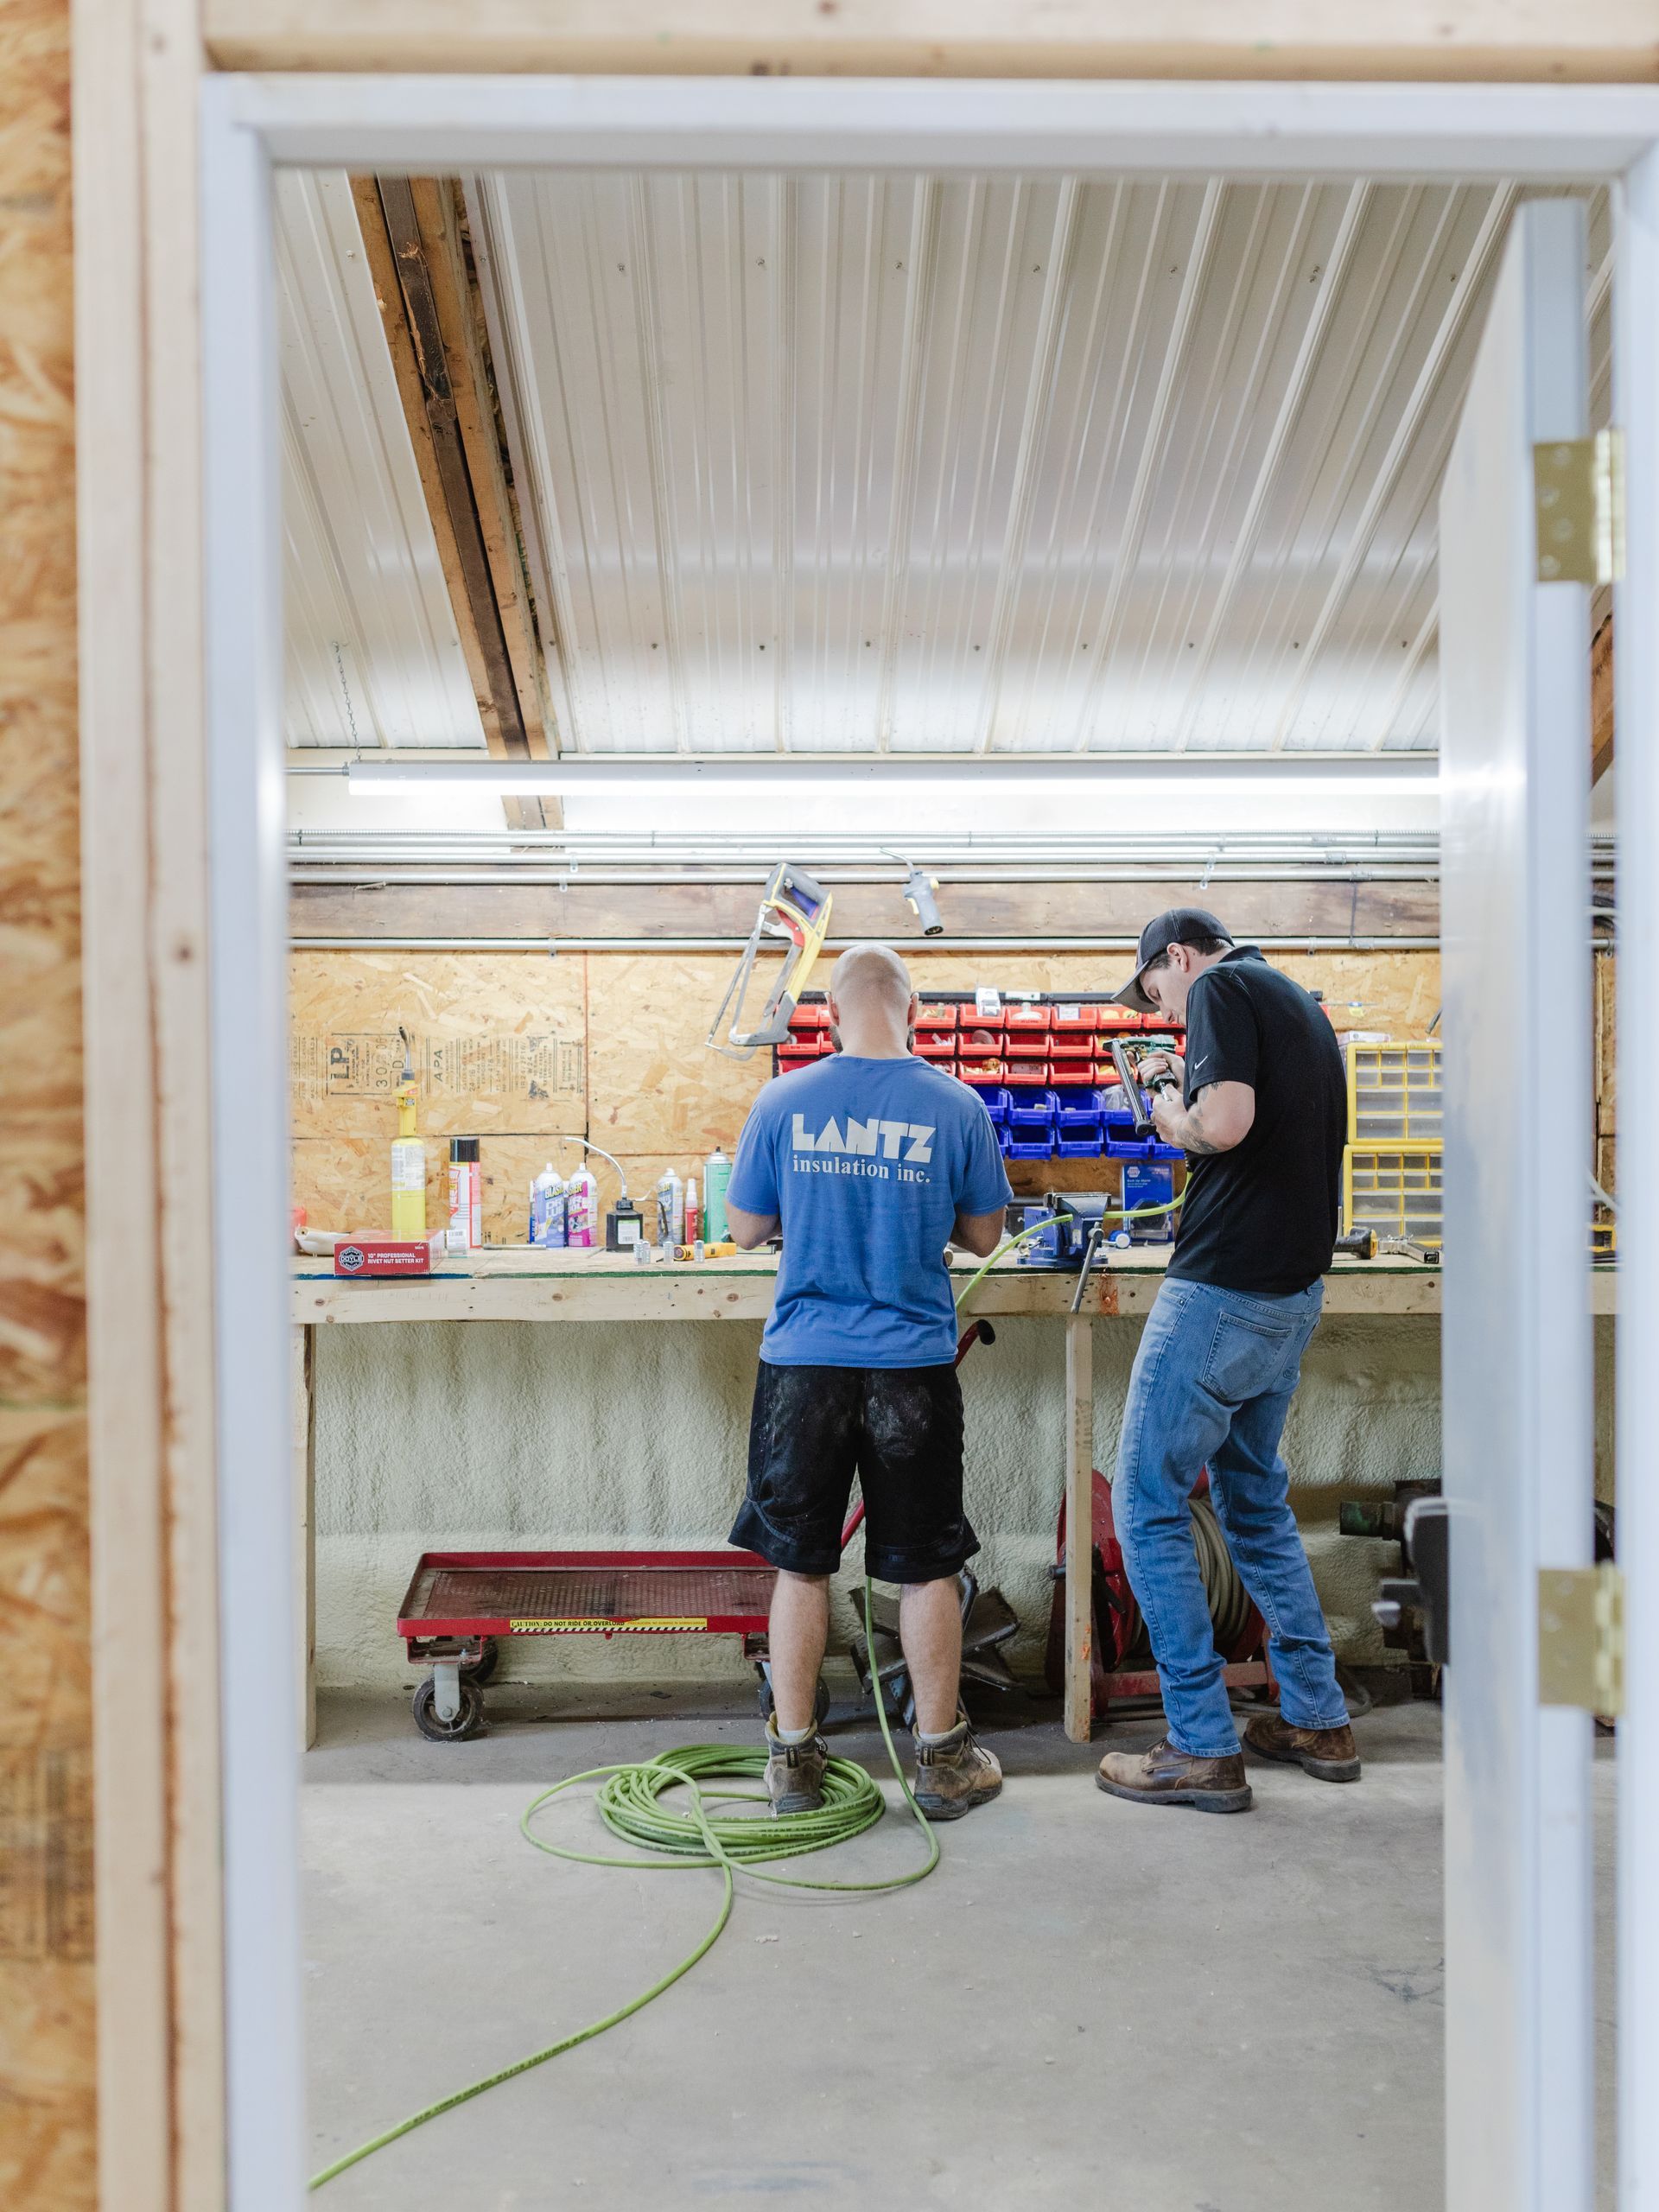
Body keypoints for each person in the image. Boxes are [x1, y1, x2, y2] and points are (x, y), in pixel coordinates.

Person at [725, 943, 1013, 1821]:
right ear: (914, 1008)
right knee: (925, 1570)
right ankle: (940, 1762)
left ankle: (794, 1766)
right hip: (912, 1368)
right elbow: (985, 1234)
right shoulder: (956, 1104)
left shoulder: (782, 1099)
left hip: (804, 1364)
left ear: (831, 1011)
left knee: (801, 1566)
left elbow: (743, 1229)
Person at [1095, 909, 1359, 1815]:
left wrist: (1172, 1113)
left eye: (1156, 991)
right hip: (1290, 1296)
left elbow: (1228, 1119)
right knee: (1250, 1496)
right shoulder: (1301, 1006)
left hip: (1223, 1291)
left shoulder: (1219, 986)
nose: (1164, 1011)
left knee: (1146, 1498)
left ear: (1177, 957)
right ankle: (1317, 1717)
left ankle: (1201, 1744)